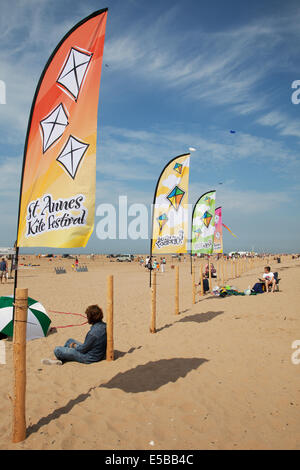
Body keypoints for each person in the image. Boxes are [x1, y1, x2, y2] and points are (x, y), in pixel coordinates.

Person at [42, 305, 107, 365]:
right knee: (69, 341)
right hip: (97, 352)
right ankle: (63, 358)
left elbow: (83, 349)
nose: (87, 318)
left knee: (57, 350)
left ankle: (60, 359)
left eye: (87, 316)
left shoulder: (92, 334)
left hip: (89, 357)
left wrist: (74, 345)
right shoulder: (105, 325)